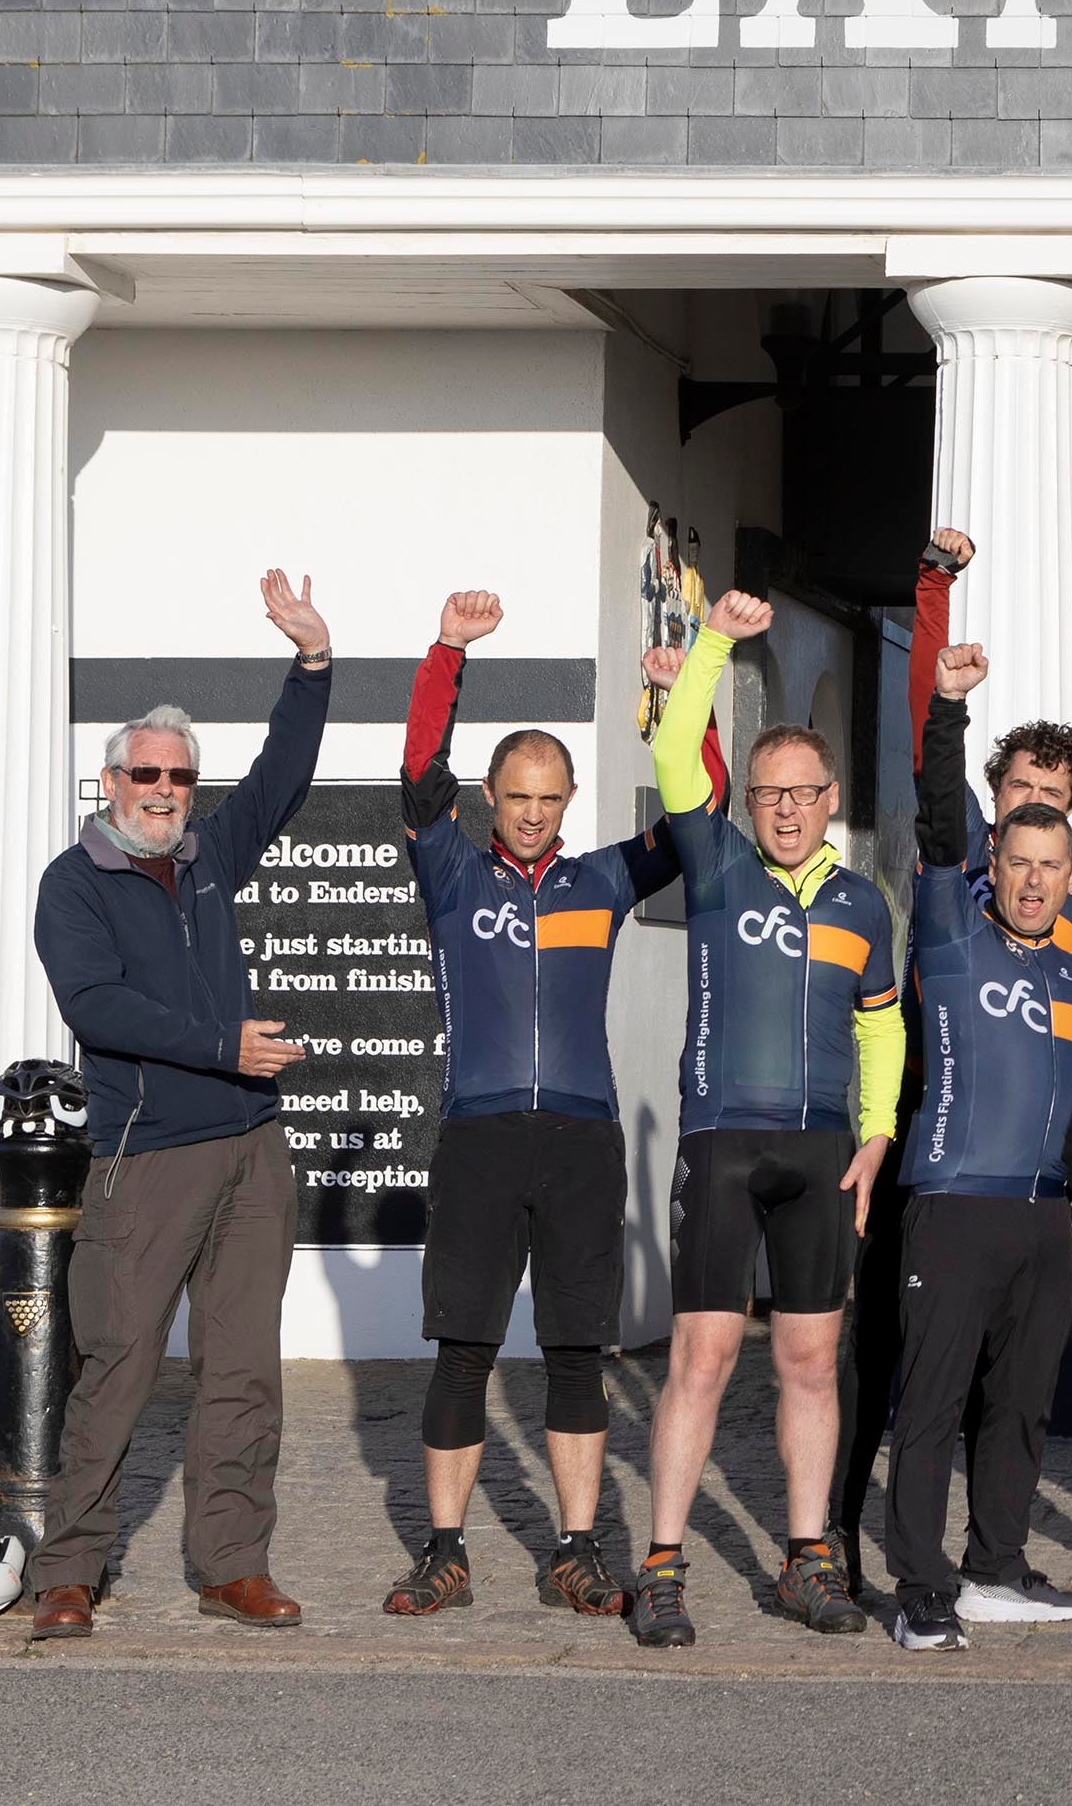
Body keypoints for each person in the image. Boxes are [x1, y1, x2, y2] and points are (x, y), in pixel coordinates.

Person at [26, 569, 333, 1641]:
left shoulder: (208, 857)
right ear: (109, 779)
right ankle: (68, 1570)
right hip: (146, 1155)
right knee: (116, 1367)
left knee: (244, 1370)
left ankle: (231, 1564)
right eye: (145, 772)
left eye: (178, 776)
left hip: (252, 1149)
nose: (163, 789)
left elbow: (280, 783)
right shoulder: (74, 883)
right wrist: (222, 1044)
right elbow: (96, 1005)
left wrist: (310, 665)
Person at [383, 588, 676, 1621]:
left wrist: (685, 708)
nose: (535, 813)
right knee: (464, 1346)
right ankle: (445, 1549)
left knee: (575, 1349)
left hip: (583, 1140)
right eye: (518, 796)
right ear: (493, 798)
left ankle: (576, 1548)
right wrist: (447, 653)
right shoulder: (456, 874)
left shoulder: (600, 880)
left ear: (569, 798)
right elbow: (418, 771)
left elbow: (696, 814)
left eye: (551, 798)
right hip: (481, 1134)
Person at [834, 529, 1072, 1560]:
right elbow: (928, 746)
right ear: (997, 810)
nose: (1033, 821)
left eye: (1052, 802)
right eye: (1020, 798)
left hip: (1031, 1164)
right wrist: (933, 588)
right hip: (925, 1117)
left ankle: (989, 1556)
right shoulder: (963, 882)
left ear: (1071, 814)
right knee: (889, 1357)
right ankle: (842, 1541)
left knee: (1011, 1388)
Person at [880, 637, 1072, 1650]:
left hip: (1047, 1219)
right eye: (1018, 863)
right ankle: (919, 1587)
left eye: (1051, 868)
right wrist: (949, 711)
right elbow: (935, 807)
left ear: (1070, 872)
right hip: (955, 1207)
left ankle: (993, 1567)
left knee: (1019, 1409)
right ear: (990, 862)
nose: (1033, 883)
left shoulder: (1070, 978)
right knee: (932, 1404)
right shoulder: (952, 935)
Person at [636, 585, 904, 1645]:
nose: (786, 809)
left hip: (822, 1152)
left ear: (830, 796)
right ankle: (660, 1563)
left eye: (802, 792)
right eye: (767, 794)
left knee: (808, 1360)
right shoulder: (715, 865)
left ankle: (807, 1556)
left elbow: (880, 1027)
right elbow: (670, 760)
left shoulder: (861, 903)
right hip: (720, 1138)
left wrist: (877, 1133)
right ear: (744, 799)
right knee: (700, 1356)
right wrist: (712, 642)